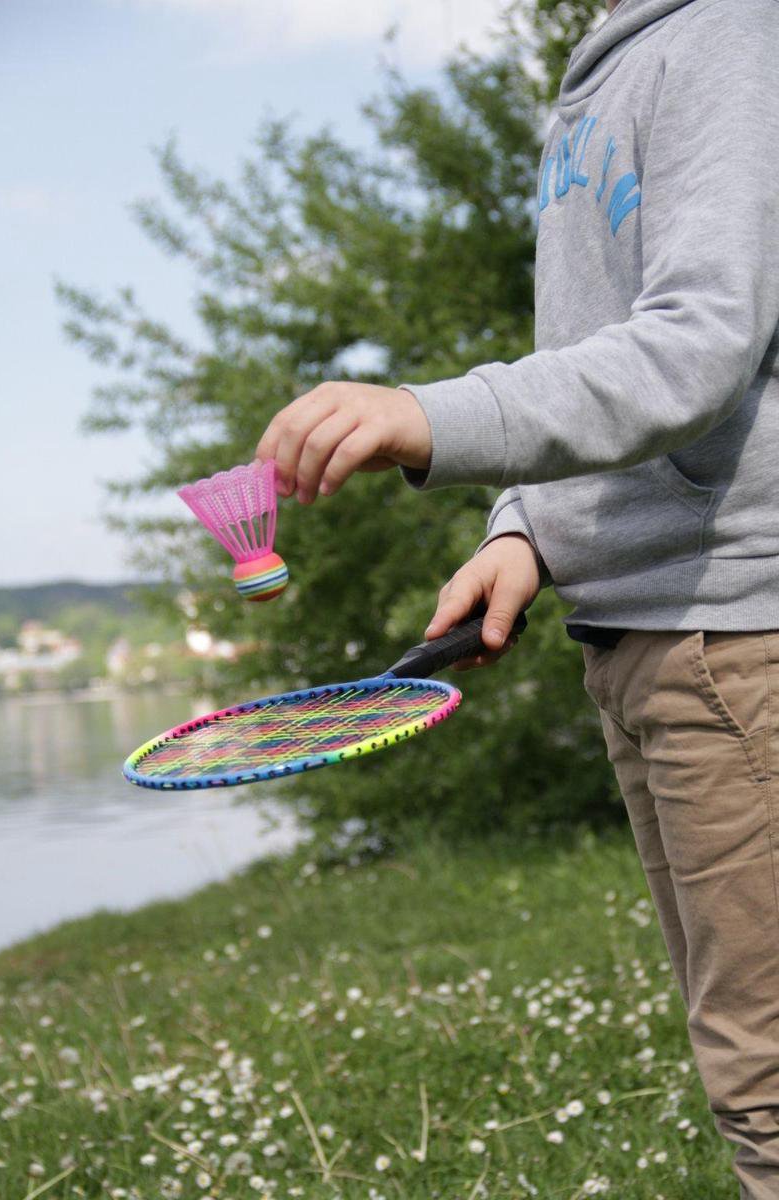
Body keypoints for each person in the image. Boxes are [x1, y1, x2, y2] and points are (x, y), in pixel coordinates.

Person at [256, 1, 779, 1194]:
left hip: (733, 625)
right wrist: (527, 530)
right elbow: (602, 351)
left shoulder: (730, 32)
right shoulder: (608, 61)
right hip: (644, 622)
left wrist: (429, 413)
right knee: (742, 1066)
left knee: (766, 1084)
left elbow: (699, 345)